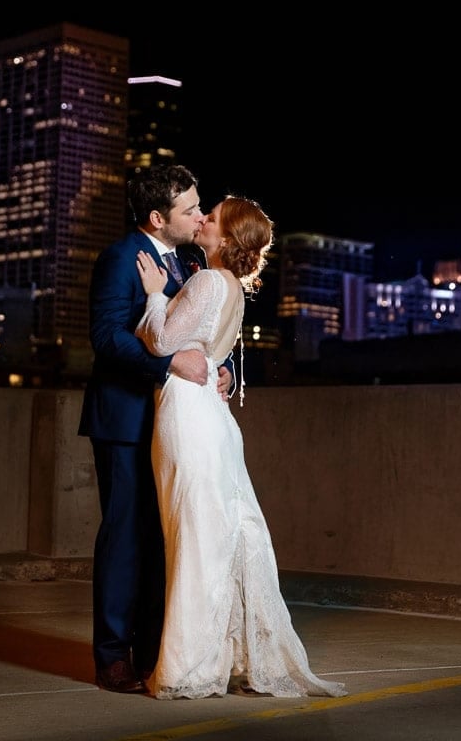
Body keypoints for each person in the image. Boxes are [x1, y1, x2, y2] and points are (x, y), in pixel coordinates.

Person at [134, 196, 347, 700]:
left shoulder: (207, 281)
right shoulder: (232, 288)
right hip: (213, 416)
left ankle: (191, 668)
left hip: (189, 413)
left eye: (213, 217)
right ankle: (219, 657)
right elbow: (212, 354)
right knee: (215, 534)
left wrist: (155, 295)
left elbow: (161, 342)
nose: (203, 219)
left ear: (226, 239)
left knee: (195, 538)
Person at [78, 164, 235, 694]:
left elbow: (211, 324)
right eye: (190, 209)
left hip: (178, 423)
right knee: (125, 536)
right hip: (125, 420)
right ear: (155, 217)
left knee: (165, 537)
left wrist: (225, 368)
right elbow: (105, 337)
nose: (199, 215)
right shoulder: (120, 258)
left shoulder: (195, 260)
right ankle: (112, 657)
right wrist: (169, 365)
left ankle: (153, 651)